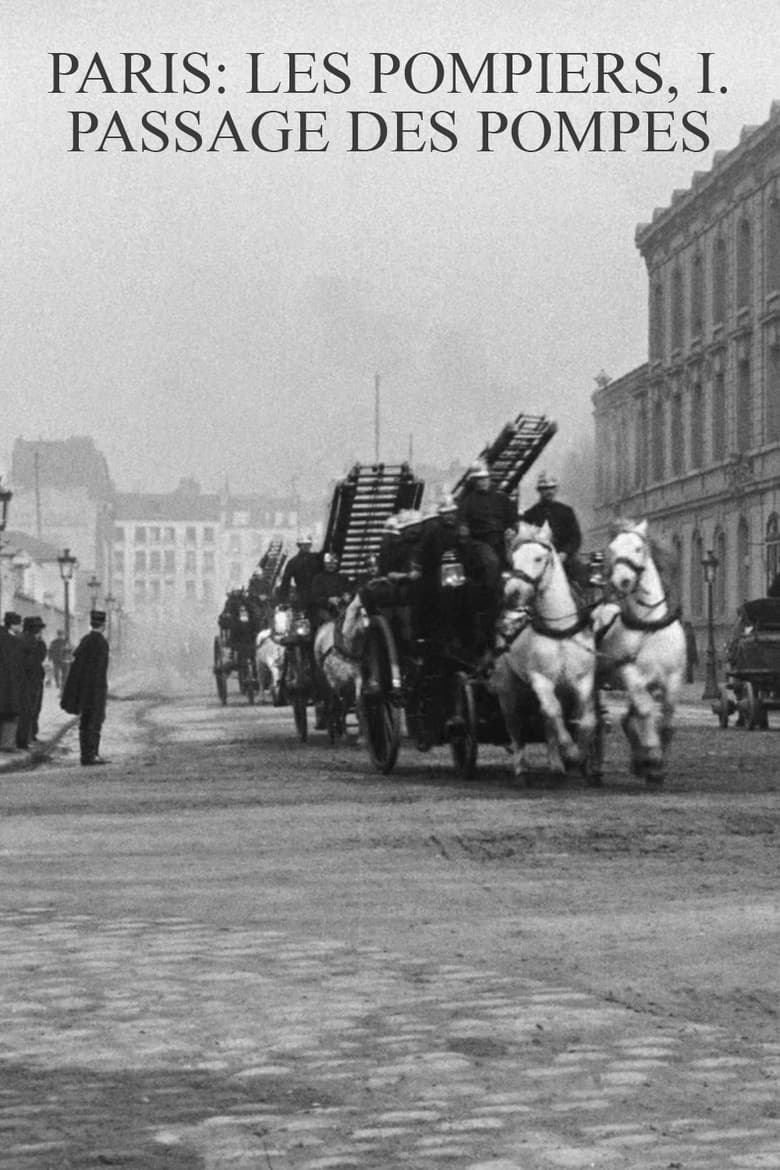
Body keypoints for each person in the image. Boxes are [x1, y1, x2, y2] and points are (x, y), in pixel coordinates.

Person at [456, 460, 517, 589]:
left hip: (503, 539)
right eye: (479, 479)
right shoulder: (467, 502)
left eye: (485, 478)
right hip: (480, 542)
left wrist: (512, 529)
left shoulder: (502, 498)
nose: (483, 482)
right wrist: (464, 530)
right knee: (492, 562)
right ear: (473, 482)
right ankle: (493, 593)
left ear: (489, 479)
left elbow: (512, 519)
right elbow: (462, 522)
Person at [60, 610, 110, 766]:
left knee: (85, 721)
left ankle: (85, 755)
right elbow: (101, 669)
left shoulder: (85, 640)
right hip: (96, 689)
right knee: (95, 721)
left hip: (83, 689)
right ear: (103, 625)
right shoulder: (101, 643)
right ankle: (92, 755)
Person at [521, 472, 582, 564]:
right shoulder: (530, 514)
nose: (549, 492)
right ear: (539, 490)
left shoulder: (566, 511)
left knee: (580, 573)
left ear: (556, 489)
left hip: (563, 555)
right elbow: (526, 539)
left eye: (552, 488)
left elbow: (575, 537)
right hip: (538, 556)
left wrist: (565, 552)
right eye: (545, 489)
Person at [277, 534, 322, 623]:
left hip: (318, 597)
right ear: (299, 546)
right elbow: (285, 583)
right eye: (303, 544)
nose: (306, 546)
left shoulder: (317, 559)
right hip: (301, 598)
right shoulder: (293, 562)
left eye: (308, 544)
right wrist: (283, 600)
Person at [18, 616, 47, 747]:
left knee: (33, 708)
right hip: (29, 680)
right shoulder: (29, 641)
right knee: (30, 709)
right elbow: (37, 659)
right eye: (39, 628)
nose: (40, 630)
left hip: (33, 679)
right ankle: (28, 738)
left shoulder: (30, 639)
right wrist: (40, 643)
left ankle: (31, 735)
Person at [0, 612, 25, 753]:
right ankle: (7, 744)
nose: (21, 626)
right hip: (9, 682)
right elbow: (16, 664)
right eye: (19, 623)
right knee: (11, 712)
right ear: (13, 624)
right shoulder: (14, 641)